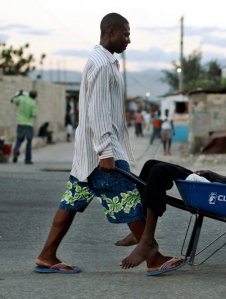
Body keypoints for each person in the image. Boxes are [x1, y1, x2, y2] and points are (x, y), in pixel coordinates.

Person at [34, 13, 183, 275]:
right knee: (127, 198)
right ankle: (153, 257)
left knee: (70, 203)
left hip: (87, 155)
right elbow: (99, 111)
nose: (129, 39)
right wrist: (106, 151)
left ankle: (47, 254)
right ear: (110, 31)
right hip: (101, 152)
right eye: (125, 34)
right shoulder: (102, 65)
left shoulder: (103, 61)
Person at [11, 90, 37, 164]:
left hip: (20, 122)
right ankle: (27, 159)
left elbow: (12, 100)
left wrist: (18, 95)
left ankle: (15, 152)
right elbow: (34, 115)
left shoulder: (22, 99)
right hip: (29, 124)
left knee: (19, 139)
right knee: (29, 141)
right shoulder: (33, 103)